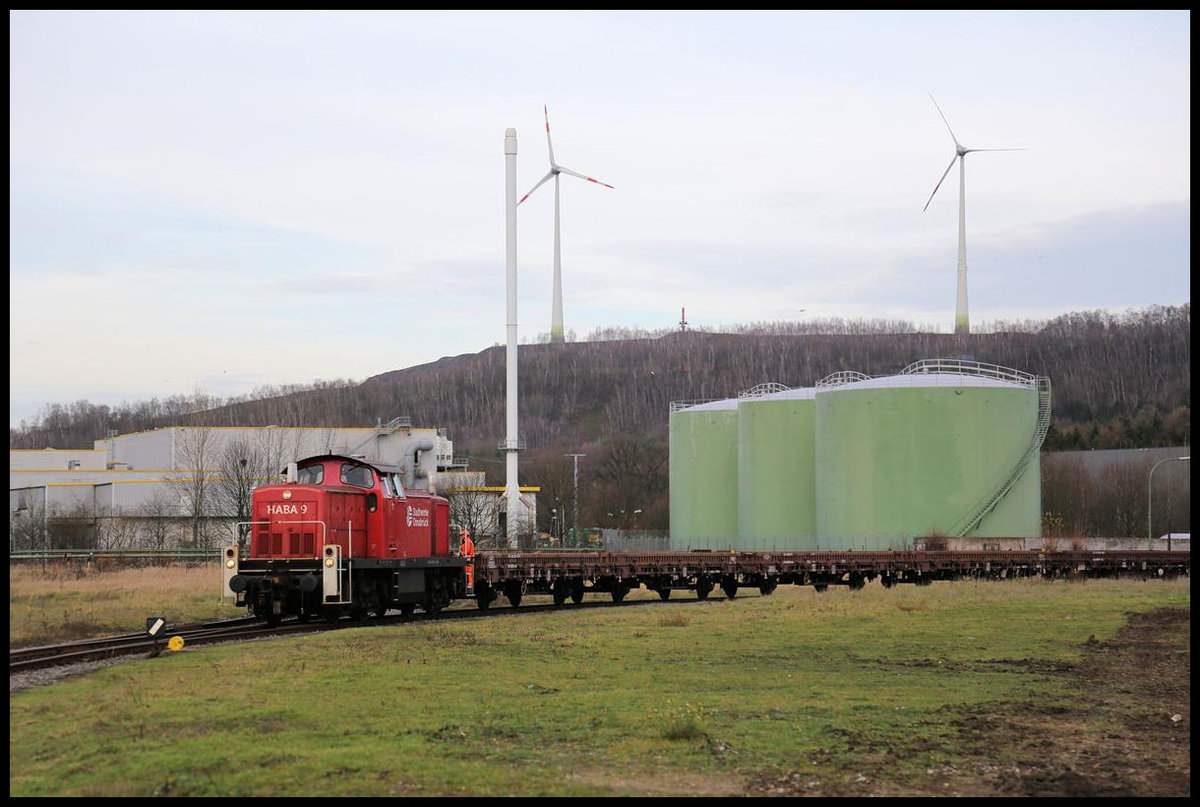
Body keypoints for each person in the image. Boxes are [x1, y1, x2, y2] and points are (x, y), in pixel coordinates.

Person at [459, 528, 475, 595]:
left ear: (465, 535)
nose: (461, 537)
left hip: (468, 562)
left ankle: (469, 589)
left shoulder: (467, 542)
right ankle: (469, 588)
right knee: (468, 576)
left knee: (469, 576)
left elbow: (466, 551)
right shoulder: (468, 541)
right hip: (468, 561)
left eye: (462, 535)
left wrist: (460, 551)